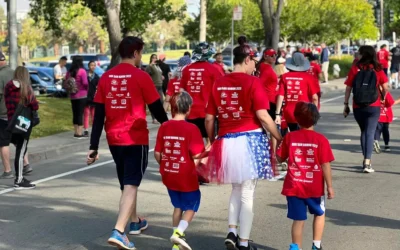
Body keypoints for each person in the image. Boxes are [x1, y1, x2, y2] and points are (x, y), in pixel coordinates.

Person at [87, 36, 168, 250]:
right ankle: (119, 231)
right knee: (131, 183)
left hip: (114, 138)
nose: (141, 57)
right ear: (135, 54)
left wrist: (93, 146)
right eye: (140, 53)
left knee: (127, 182)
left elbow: (98, 115)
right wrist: (168, 126)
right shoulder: (141, 76)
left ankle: (134, 222)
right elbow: (156, 107)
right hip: (135, 137)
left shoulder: (105, 77)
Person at [204, 36, 282, 250]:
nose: (255, 65)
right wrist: (279, 137)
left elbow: (209, 118)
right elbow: (264, 117)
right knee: (248, 192)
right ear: (247, 59)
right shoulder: (253, 82)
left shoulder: (219, 82)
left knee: (236, 189)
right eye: (254, 61)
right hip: (250, 140)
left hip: (227, 141)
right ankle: (245, 243)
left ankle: (232, 231)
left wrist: (213, 140)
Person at [276, 101, 334, 250]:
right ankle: (316, 245)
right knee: (319, 213)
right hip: (314, 187)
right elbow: (325, 165)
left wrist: (278, 142)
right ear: (316, 118)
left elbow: (280, 158)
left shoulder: (290, 137)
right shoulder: (321, 140)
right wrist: (330, 187)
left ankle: (295, 247)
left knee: (298, 219)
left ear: (296, 118)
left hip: (294, 185)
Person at [155, 91, 204, 250]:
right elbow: (197, 155)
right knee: (191, 205)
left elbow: (157, 153)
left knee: (178, 206)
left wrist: (164, 165)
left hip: (169, 174)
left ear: (171, 108)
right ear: (188, 108)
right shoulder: (192, 128)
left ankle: (176, 241)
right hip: (186, 176)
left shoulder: (164, 126)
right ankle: (178, 234)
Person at [343, 45, 389, 173]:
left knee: (363, 131)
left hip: (358, 105)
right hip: (373, 105)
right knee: (370, 132)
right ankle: (367, 162)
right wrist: (383, 98)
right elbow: (385, 87)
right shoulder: (378, 68)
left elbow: (348, 88)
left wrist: (346, 104)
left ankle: (365, 160)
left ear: (363, 54)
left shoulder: (355, 68)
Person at [180, 42, 223, 144]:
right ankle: (206, 159)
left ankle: (197, 160)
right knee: (211, 142)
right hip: (207, 112)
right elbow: (219, 90)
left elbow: (181, 91)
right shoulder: (213, 69)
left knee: (193, 144)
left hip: (190, 112)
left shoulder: (187, 69)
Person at [5, 66, 39, 190]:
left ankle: (19, 177)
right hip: (24, 123)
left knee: (19, 149)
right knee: (21, 151)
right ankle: (19, 179)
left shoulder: (9, 86)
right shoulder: (26, 88)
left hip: (12, 122)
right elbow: (34, 106)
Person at [275, 52, 319, 132]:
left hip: (288, 113)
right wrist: (314, 112)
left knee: (293, 134)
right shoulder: (309, 77)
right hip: (304, 112)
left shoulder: (285, 77)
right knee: (304, 136)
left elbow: (280, 96)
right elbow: (315, 98)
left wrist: (277, 114)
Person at [259, 48, 279, 153]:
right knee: (273, 128)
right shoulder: (266, 69)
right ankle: (274, 153)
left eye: (275, 55)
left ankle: (273, 152)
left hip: (269, 100)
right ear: (265, 56)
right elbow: (259, 84)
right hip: (269, 101)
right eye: (271, 55)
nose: (274, 57)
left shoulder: (264, 67)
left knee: (269, 128)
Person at [65, 56, 88, 139]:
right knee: (80, 114)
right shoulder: (82, 71)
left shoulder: (69, 72)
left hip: (72, 95)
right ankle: (80, 132)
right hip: (82, 95)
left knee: (75, 113)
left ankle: (75, 132)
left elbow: (66, 82)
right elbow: (85, 83)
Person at [0, 52, 15, 178]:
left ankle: (7, 170)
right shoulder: (15, 72)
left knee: (3, 143)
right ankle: (26, 165)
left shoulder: (0, 75)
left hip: (4, 113)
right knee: (19, 140)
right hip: (19, 112)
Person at [146, 54, 165, 124]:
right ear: (151, 59)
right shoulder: (150, 66)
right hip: (155, 85)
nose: (155, 59)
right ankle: (154, 118)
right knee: (154, 102)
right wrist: (151, 64)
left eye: (155, 58)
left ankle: (159, 116)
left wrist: (162, 76)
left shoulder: (157, 66)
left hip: (160, 85)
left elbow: (159, 74)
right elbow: (146, 74)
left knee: (161, 101)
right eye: (153, 58)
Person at [83, 61, 100, 136]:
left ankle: (94, 129)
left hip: (93, 97)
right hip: (86, 96)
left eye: (94, 65)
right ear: (88, 66)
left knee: (93, 113)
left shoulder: (96, 76)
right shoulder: (85, 75)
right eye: (91, 65)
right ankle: (86, 129)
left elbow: (99, 87)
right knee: (86, 113)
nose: (93, 67)